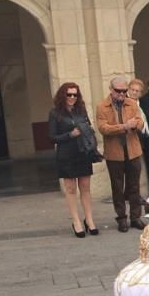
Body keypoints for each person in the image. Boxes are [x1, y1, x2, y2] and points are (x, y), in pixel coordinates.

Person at [49, 82, 100, 237]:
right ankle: (76, 221)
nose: (72, 97)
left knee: (85, 188)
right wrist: (70, 135)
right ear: (62, 95)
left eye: (75, 95)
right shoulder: (55, 113)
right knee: (71, 189)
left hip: (83, 152)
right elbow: (52, 138)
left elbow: (89, 129)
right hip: (66, 155)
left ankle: (89, 220)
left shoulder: (81, 110)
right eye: (69, 94)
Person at [97, 77, 147, 233]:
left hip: (133, 150)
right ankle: (121, 218)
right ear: (111, 90)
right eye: (118, 91)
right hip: (114, 153)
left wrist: (135, 125)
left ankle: (135, 217)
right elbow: (103, 128)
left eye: (124, 91)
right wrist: (124, 127)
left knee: (134, 186)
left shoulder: (131, 103)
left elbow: (140, 122)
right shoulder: (102, 106)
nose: (122, 94)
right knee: (117, 187)